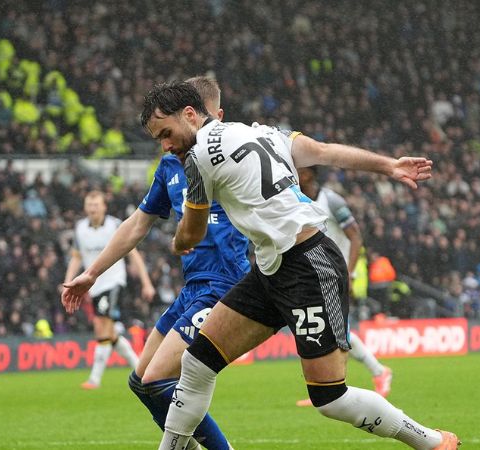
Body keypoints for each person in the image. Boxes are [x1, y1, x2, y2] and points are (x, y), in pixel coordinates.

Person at [139, 81, 458, 450]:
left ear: (190, 115)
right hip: (270, 268)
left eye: (166, 133)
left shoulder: (197, 158)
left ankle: (430, 441)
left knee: (330, 397)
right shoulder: (263, 133)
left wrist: (177, 242)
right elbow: (323, 152)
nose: (165, 146)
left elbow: (191, 234)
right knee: (197, 363)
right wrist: (388, 165)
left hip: (308, 265)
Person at [62, 77, 241, 450]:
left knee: (159, 380)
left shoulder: (231, 154)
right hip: (193, 288)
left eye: (166, 134)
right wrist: (91, 273)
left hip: (225, 287)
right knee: (141, 382)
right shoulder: (170, 166)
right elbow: (136, 225)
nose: (165, 143)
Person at [294, 166, 392, 407]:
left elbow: (355, 236)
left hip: (336, 272)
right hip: (315, 273)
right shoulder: (294, 198)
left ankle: (374, 373)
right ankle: (327, 387)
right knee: (326, 330)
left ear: (308, 174)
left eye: (297, 168)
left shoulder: (332, 200)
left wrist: (350, 272)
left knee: (337, 331)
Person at [63, 190, 156, 390]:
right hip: (93, 287)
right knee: (110, 334)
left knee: (101, 325)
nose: (93, 209)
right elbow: (77, 257)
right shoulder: (80, 229)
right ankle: (140, 369)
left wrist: (146, 282)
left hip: (113, 282)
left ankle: (94, 379)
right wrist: (67, 281)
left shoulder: (115, 225)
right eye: (90, 205)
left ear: (104, 207)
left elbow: (134, 254)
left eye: (96, 205)